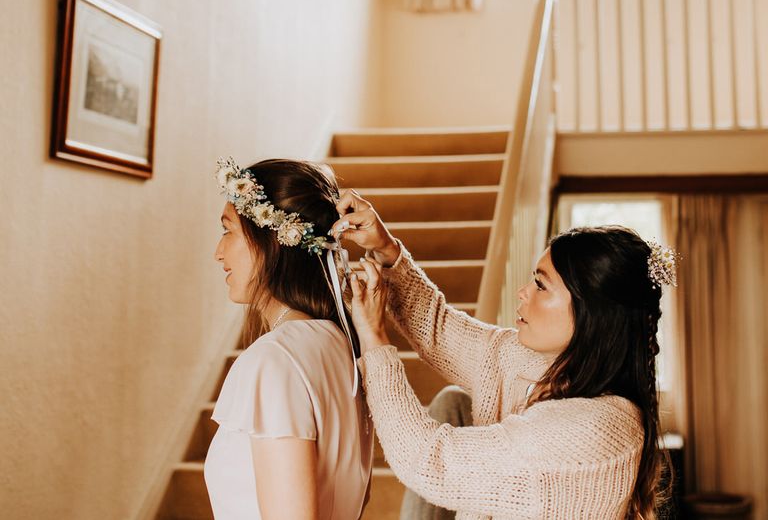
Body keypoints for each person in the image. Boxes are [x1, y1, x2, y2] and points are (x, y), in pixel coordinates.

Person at [333, 189, 676, 520]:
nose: (523, 293)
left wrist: (374, 338)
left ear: (593, 314)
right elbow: (438, 329)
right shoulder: (541, 363)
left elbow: (429, 460)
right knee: (453, 402)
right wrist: (385, 248)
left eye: (541, 285)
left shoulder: (593, 430)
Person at [204, 158, 373, 520]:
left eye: (228, 230)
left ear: (272, 240)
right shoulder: (340, 346)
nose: (218, 252)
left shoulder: (274, 360)